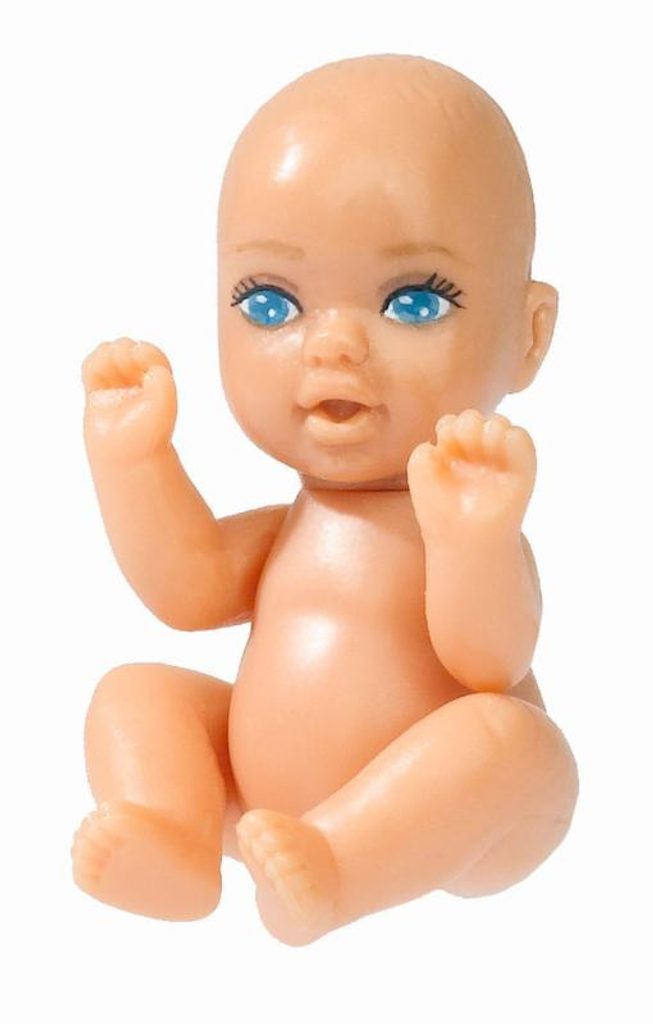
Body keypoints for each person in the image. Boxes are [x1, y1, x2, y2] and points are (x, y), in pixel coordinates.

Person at [73, 54, 578, 945]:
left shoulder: (461, 516)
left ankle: (342, 868)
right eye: (271, 304)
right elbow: (188, 591)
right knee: (136, 694)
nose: (333, 345)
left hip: (449, 833)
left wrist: (474, 543)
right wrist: (133, 460)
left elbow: (488, 664)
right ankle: (178, 837)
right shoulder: (293, 528)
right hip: (259, 808)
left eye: (414, 302)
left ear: (529, 335)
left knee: (514, 743)